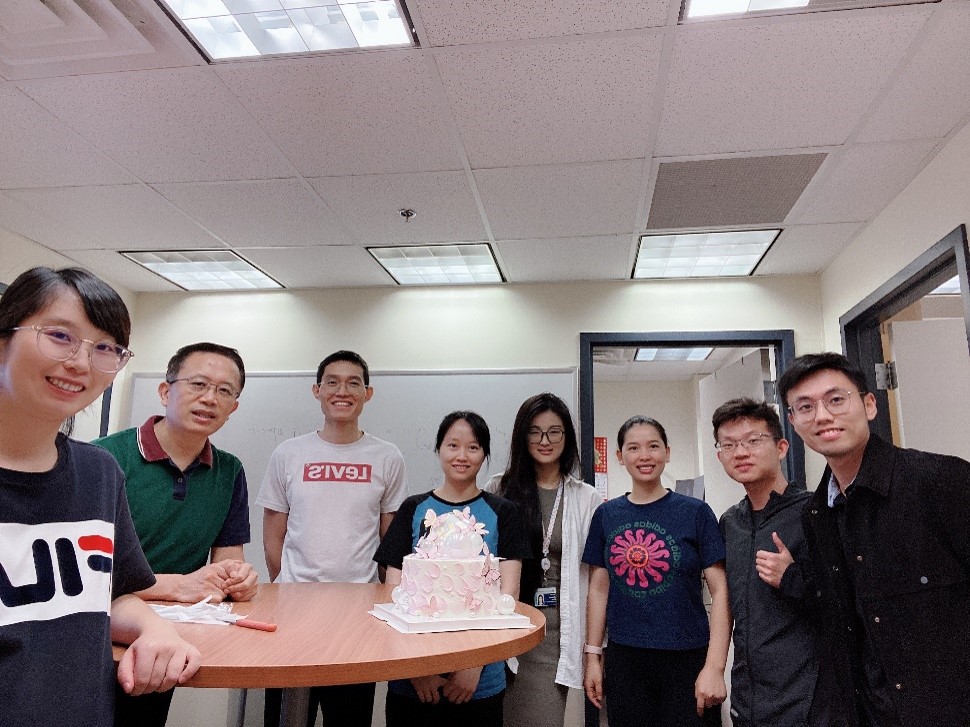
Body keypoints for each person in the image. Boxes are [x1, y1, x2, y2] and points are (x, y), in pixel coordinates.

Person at [0, 266, 201, 726]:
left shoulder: (98, 472)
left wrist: (155, 628)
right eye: (59, 335)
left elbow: (110, 596)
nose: (81, 363)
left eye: (105, 348)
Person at [777, 352, 970, 727]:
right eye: (805, 407)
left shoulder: (941, 480)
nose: (822, 416)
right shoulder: (817, 513)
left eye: (836, 399)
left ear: (868, 404)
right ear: (793, 422)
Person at [96, 341, 259, 726]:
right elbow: (84, 574)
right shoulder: (103, 460)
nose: (210, 399)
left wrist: (238, 579)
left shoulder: (229, 471)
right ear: (166, 391)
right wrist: (178, 585)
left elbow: (227, 562)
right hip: (95, 638)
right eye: (198, 384)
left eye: (224, 391)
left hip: (166, 642)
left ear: (233, 407)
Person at [258, 350, 407, 727]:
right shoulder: (288, 454)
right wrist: (288, 586)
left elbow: (391, 541)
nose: (343, 391)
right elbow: (274, 533)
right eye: (332, 382)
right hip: (291, 614)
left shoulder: (387, 457)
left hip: (359, 614)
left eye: (353, 382)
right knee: (288, 718)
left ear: (367, 393)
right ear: (317, 390)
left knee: (350, 717)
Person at [375, 410, 530, 727]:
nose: (462, 456)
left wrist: (474, 664)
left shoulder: (505, 513)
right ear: (438, 449)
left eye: (473, 447)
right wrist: (419, 669)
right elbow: (394, 593)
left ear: (485, 454)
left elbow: (508, 595)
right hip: (412, 679)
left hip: (481, 681)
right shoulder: (413, 509)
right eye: (452, 445)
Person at [583, 416, 729, 727]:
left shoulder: (696, 513)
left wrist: (715, 667)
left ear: (667, 452)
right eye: (633, 448)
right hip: (626, 658)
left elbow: (720, 591)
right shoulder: (607, 515)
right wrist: (592, 657)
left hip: (687, 655)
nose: (644, 455)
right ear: (620, 457)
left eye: (653, 446)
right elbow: (598, 588)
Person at [484, 393, 602, 727]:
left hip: (552, 637)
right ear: (523, 436)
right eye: (534, 432)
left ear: (567, 437)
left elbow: (597, 582)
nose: (544, 441)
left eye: (555, 432)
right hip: (502, 630)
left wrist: (594, 651)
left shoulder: (585, 497)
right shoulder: (499, 488)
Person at [712, 398, 819, 727]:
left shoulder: (814, 514)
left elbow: (847, 607)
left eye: (753, 441)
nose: (740, 452)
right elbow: (726, 604)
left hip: (806, 701)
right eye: (728, 445)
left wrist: (791, 578)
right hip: (748, 700)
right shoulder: (730, 523)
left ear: (782, 447)